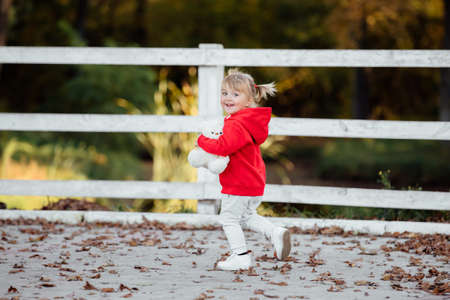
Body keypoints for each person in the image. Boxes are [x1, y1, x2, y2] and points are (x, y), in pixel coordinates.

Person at [196, 69, 291, 271]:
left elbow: (223, 147)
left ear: (248, 100)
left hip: (238, 182)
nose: (228, 98)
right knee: (247, 216)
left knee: (229, 218)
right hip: (254, 180)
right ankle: (275, 233)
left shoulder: (237, 123)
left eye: (235, 94)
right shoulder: (249, 122)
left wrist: (201, 140)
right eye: (224, 93)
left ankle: (240, 256)